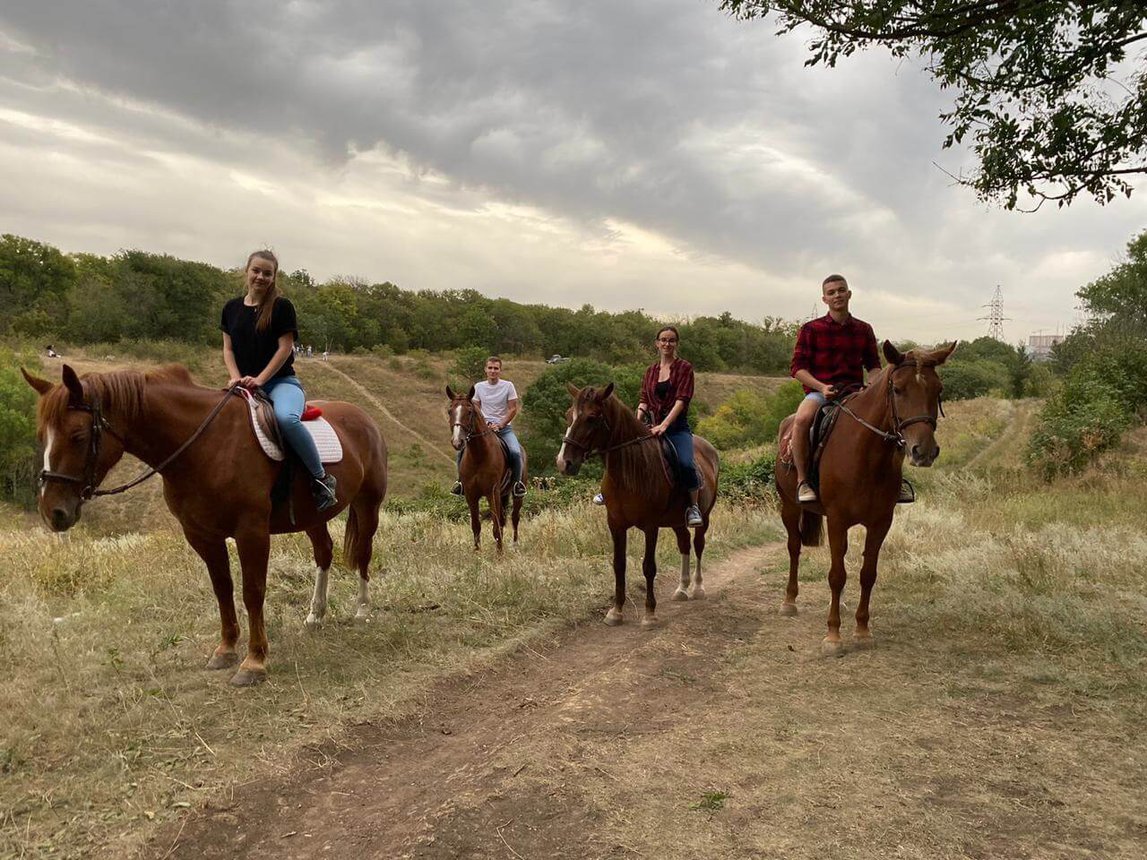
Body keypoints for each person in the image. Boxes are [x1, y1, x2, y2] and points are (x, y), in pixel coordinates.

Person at [221, 249, 338, 512]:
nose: (260, 277)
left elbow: (285, 348)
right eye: (256, 271)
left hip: (281, 383)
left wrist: (260, 380)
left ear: (274, 277)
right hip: (243, 383)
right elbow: (228, 349)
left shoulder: (281, 307)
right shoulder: (231, 308)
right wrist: (236, 378)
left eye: (267, 273)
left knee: (286, 419)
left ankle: (322, 479)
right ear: (247, 271)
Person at [789, 273, 913, 505]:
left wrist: (875, 384)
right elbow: (798, 369)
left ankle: (897, 481)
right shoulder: (811, 329)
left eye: (841, 290)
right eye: (831, 292)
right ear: (824, 299)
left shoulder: (863, 329)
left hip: (856, 391)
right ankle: (803, 480)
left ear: (849, 294)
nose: (837, 295)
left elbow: (873, 365)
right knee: (803, 419)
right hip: (821, 392)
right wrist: (821, 387)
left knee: (891, 420)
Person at [636, 326, 703, 526]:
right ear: (657, 344)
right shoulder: (650, 371)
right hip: (652, 426)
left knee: (685, 463)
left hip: (676, 429)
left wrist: (664, 426)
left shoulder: (684, 368)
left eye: (671, 340)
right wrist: (635, 423)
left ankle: (693, 507)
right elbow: (644, 400)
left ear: (676, 344)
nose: (667, 344)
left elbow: (682, 401)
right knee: (625, 453)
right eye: (663, 340)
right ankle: (609, 494)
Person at [450, 356, 527, 498]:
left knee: (516, 452)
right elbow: (477, 409)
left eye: (496, 368)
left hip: (504, 429)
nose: (493, 371)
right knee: (461, 452)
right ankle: (461, 482)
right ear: (485, 369)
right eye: (490, 368)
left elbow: (512, 409)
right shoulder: (478, 387)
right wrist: (486, 423)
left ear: (500, 370)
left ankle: (517, 484)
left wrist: (501, 424)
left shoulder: (508, 386)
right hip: (483, 428)